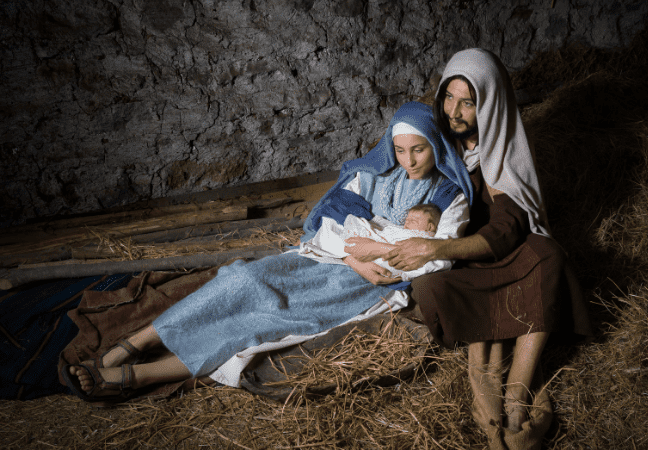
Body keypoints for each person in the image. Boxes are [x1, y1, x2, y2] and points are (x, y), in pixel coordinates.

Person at [61, 101, 472, 405]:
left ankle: (138, 375)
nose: (409, 160)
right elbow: (332, 224)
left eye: (418, 150)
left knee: (257, 323)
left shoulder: (449, 196)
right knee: (241, 279)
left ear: (434, 144)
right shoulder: (375, 174)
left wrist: (374, 258)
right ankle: (133, 343)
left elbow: (438, 256)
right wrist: (352, 255)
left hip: (368, 283)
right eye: (401, 150)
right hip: (331, 257)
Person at [346, 49, 591, 450]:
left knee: (548, 256)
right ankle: (494, 357)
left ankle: (518, 388)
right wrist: (353, 250)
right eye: (448, 97)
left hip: (485, 245)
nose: (454, 111)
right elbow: (370, 171)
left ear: (489, 105)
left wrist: (432, 247)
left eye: (468, 102)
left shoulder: (500, 148)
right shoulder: (432, 136)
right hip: (454, 251)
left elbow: (508, 229)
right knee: (431, 288)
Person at [303, 203, 448, 281]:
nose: (408, 223)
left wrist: (376, 245)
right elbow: (387, 228)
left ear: (430, 227)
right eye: (407, 220)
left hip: (383, 260)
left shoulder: (426, 238)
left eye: (414, 221)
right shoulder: (400, 229)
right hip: (365, 248)